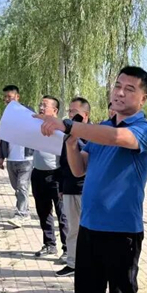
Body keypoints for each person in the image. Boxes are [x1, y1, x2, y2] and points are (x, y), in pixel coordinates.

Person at [36, 66, 147, 293]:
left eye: (130, 89)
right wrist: (71, 143)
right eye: (118, 86)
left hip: (122, 232)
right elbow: (79, 169)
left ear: (143, 98)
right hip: (90, 227)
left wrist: (68, 124)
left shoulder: (144, 130)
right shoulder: (101, 127)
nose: (120, 92)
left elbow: (117, 139)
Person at [55, 97, 91, 277]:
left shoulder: (94, 134)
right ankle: (72, 263)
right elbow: (63, 162)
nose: (70, 115)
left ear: (85, 115)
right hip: (69, 188)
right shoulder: (68, 136)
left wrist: (76, 140)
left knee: (87, 230)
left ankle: (88, 265)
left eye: (74, 112)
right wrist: (61, 187)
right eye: (69, 111)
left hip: (86, 190)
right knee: (72, 229)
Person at [31, 96, 68, 259]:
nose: (40, 107)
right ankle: (49, 244)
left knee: (62, 214)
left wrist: (63, 180)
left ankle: (67, 249)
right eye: (40, 104)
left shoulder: (60, 129)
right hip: (38, 173)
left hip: (56, 175)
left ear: (55, 110)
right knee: (43, 211)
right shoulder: (35, 125)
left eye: (44, 105)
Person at [0, 85, 34, 228]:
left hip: (26, 158)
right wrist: (1, 156)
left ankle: (21, 215)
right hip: (11, 158)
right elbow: (3, 136)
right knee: (17, 188)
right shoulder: (6, 115)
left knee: (22, 187)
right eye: (5, 97)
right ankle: (26, 211)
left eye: (10, 97)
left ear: (17, 97)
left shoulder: (28, 111)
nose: (7, 99)